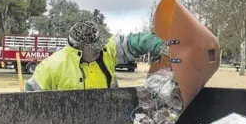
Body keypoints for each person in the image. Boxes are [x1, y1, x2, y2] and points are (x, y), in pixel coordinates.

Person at [25, 21, 165, 91]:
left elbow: (132, 42)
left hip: (105, 119)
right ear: (78, 48)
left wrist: (158, 45)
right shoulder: (51, 67)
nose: (99, 48)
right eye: (94, 46)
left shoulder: (106, 51)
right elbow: (31, 101)